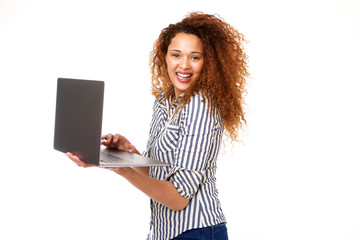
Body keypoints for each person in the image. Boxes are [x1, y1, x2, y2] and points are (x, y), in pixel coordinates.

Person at [66, 12, 249, 240]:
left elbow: (178, 198)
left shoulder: (201, 107)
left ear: (208, 62)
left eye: (195, 57)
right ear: (165, 56)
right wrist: (128, 154)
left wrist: (121, 170)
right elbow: (160, 173)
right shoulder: (165, 99)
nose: (184, 65)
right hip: (164, 232)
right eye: (176, 55)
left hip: (197, 232)